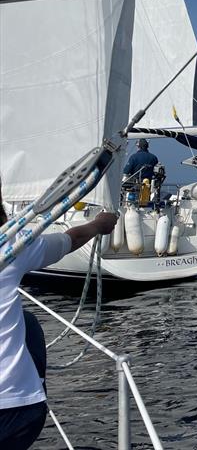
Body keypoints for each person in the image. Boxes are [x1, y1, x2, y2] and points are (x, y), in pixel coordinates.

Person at [0, 188, 117, 450]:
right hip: (16, 411)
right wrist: (99, 224)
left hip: (14, 413)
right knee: (29, 324)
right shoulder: (10, 244)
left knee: (28, 322)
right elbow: (70, 240)